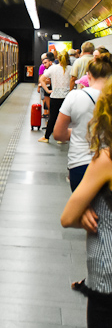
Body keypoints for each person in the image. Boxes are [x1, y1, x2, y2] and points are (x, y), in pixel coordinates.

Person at [55, 53, 112, 297]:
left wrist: (77, 137)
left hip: (80, 166)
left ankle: (93, 278)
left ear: (88, 75)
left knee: (95, 224)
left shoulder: (76, 96)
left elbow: (59, 133)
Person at [39, 51, 70, 143]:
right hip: (67, 97)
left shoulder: (53, 68)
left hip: (55, 96)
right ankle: (61, 138)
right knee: (65, 118)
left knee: (52, 117)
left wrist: (48, 90)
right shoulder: (70, 69)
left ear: (58, 59)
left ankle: (46, 137)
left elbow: (41, 79)